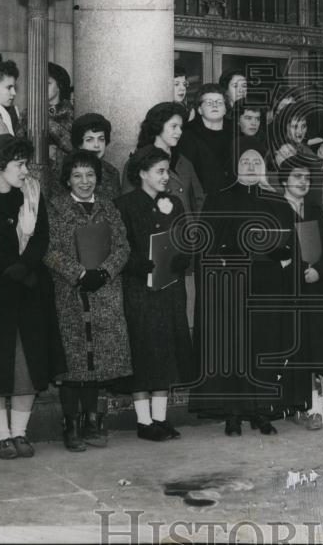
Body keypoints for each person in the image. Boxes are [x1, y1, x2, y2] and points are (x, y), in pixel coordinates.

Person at [0, 134, 65, 460]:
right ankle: (0, 435)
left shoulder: (32, 191)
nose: (25, 170)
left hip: (29, 287)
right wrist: (9, 267)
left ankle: (20, 432)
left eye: (25, 163)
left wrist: (25, 266)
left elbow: (42, 235)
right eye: (19, 164)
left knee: (27, 363)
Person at [187, 144, 297, 436]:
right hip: (231, 287)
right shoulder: (219, 199)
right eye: (244, 161)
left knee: (263, 349)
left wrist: (278, 252)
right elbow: (207, 246)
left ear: (263, 167)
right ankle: (232, 414)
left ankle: (261, 412)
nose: (250, 166)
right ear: (236, 167)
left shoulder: (278, 202)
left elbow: (289, 244)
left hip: (267, 288)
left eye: (255, 161)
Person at [44, 150, 132, 452]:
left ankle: (93, 420)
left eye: (90, 175)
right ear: (67, 178)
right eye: (78, 175)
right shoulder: (55, 208)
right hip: (70, 293)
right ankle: (70, 424)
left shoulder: (108, 207)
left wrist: (104, 272)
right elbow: (50, 249)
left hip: (104, 292)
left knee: (99, 362)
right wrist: (79, 273)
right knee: (74, 363)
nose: (85, 181)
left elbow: (123, 246)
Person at [114, 146, 194, 442]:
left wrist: (182, 257)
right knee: (143, 351)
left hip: (169, 288)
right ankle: (143, 421)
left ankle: (160, 418)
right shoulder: (123, 205)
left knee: (166, 353)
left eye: (167, 171)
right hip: (139, 290)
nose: (166, 177)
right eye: (160, 171)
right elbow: (118, 247)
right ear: (142, 174)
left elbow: (186, 238)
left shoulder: (173, 203)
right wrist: (137, 264)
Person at [269, 155, 323, 429]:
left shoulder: (316, 211)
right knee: (295, 348)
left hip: (317, 288)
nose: (303, 182)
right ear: (283, 180)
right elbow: (272, 250)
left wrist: (320, 270)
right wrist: (298, 271)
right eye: (297, 176)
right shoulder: (273, 210)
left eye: (307, 178)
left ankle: (318, 408)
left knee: (318, 347)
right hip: (289, 291)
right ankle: (297, 407)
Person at [136, 102, 205, 218]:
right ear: (158, 126)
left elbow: (199, 200)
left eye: (180, 127)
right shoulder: (139, 162)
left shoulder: (184, 162)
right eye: (174, 126)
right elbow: (131, 208)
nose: (179, 132)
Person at [177, 83, 234, 195]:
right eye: (209, 103)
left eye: (219, 102)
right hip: (201, 199)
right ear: (199, 110)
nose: (215, 106)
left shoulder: (236, 134)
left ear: (225, 109)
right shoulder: (188, 136)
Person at [70, 113, 121, 200]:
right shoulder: (67, 170)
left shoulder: (112, 172)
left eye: (101, 139)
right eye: (89, 140)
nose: (97, 145)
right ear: (79, 144)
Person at [47, 62, 74, 179]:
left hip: (66, 175)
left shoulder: (71, 112)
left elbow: (74, 145)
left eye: (47, 83)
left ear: (59, 86)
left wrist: (47, 121)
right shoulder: (28, 113)